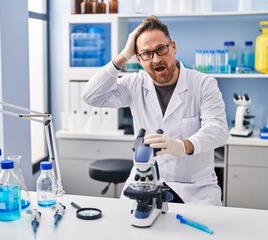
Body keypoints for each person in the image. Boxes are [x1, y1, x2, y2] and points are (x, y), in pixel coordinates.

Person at [81, 15, 229, 206]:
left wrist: (182, 146)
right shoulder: (134, 83)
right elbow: (91, 96)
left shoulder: (202, 84)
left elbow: (218, 130)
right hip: (144, 181)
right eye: (147, 54)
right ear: (139, 59)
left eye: (161, 49)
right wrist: (124, 55)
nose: (156, 59)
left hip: (196, 187)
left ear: (173, 47)